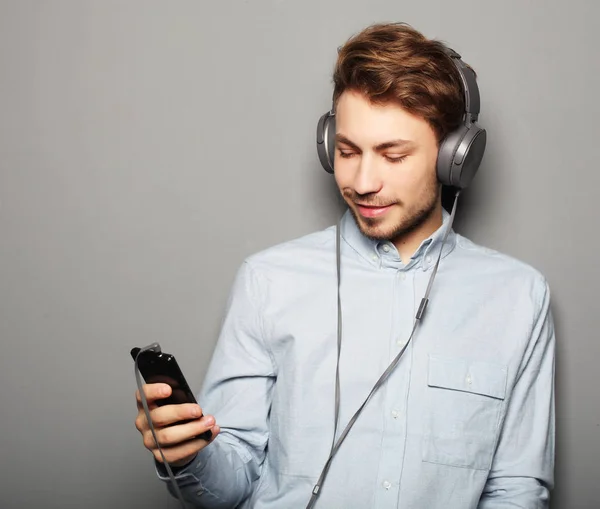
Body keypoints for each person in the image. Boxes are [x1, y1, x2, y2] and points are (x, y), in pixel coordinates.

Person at [134, 22, 555, 508]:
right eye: (348, 151)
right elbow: (230, 485)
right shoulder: (267, 282)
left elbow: (516, 491)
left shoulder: (519, 297)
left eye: (393, 155)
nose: (362, 181)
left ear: (452, 158)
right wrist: (189, 455)